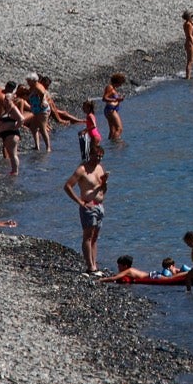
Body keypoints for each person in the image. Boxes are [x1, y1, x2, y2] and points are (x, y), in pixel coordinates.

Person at [63, 145, 108, 275]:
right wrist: (80, 202)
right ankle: (90, 267)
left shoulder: (100, 168)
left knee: (95, 237)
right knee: (88, 236)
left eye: (101, 157)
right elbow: (67, 186)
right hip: (88, 207)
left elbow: (103, 189)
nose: (98, 159)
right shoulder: (82, 169)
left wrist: (104, 183)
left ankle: (94, 264)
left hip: (99, 206)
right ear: (90, 155)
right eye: (96, 156)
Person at [102, 73, 126, 141]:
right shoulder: (110, 87)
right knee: (119, 129)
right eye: (120, 83)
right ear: (118, 81)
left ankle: (110, 145)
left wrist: (119, 100)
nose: (120, 85)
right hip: (111, 110)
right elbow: (104, 98)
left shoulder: (113, 88)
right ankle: (116, 143)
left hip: (110, 110)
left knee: (112, 130)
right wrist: (115, 100)